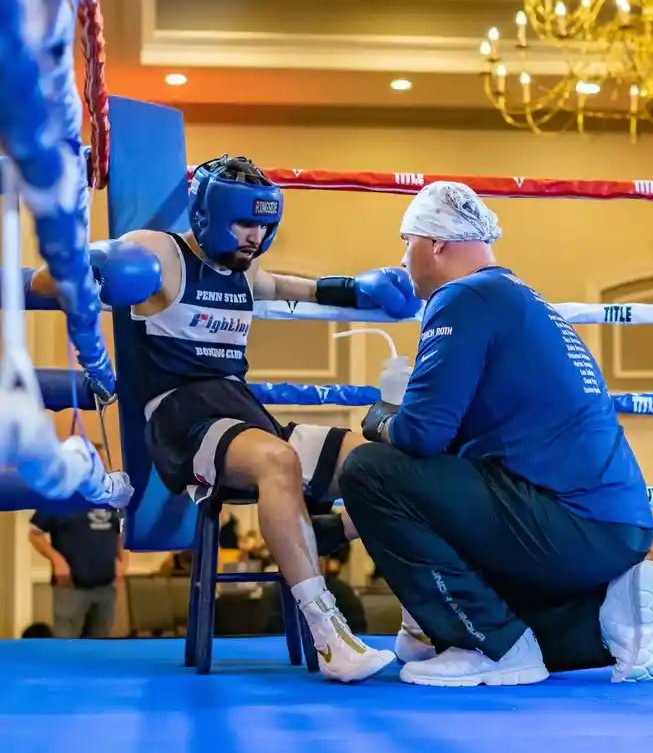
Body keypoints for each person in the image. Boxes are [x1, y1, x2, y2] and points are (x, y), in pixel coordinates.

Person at [30, 154, 420, 682]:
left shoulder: (243, 270)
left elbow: (287, 288)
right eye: (243, 223)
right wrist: (97, 266)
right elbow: (50, 281)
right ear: (207, 214)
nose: (254, 237)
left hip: (241, 415)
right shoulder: (158, 252)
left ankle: (398, 600)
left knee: (379, 461)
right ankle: (328, 634)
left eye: (263, 225)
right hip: (181, 422)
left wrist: (357, 290)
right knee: (278, 460)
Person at [339, 180, 653, 687]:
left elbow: (421, 434)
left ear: (436, 244)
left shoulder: (463, 297)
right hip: (612, 527)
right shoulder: (522, 300)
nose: (403, 260)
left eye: (406, 243)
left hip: (564, 521)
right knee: (522, 626)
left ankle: (487, 647)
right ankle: (605, 623)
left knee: (370, 470)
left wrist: (379, 418)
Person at [28, 507, 126, 638]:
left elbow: (121, 533)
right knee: (67, 647)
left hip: (106, 588)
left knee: (99, 648)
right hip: (71, 586)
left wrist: (123, 562)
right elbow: (34, 534)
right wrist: (57, 560)